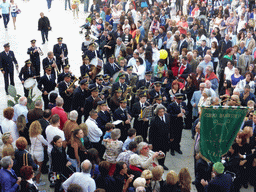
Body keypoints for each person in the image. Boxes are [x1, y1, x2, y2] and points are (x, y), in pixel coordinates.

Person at [149, 104, 171, 170]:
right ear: (157, 112)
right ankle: (157, 166)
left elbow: (170, 127)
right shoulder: (154, 120)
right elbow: (151, 132)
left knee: (164, 152)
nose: (162, 113)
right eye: (160, 112)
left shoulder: (167, 116)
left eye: (163, 111)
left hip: (165, 139)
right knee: (157, 153)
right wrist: (150, 143)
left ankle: (162, 164)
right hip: (157, 140)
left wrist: (171, 136)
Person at [29, 120, 48, 186]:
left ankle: (34, 179)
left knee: (34, 167)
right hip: (39, 153)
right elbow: (46, 143)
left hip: (32, 152)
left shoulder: (31, 135)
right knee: (39, 168)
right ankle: (37, 182)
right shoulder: (40, 136)